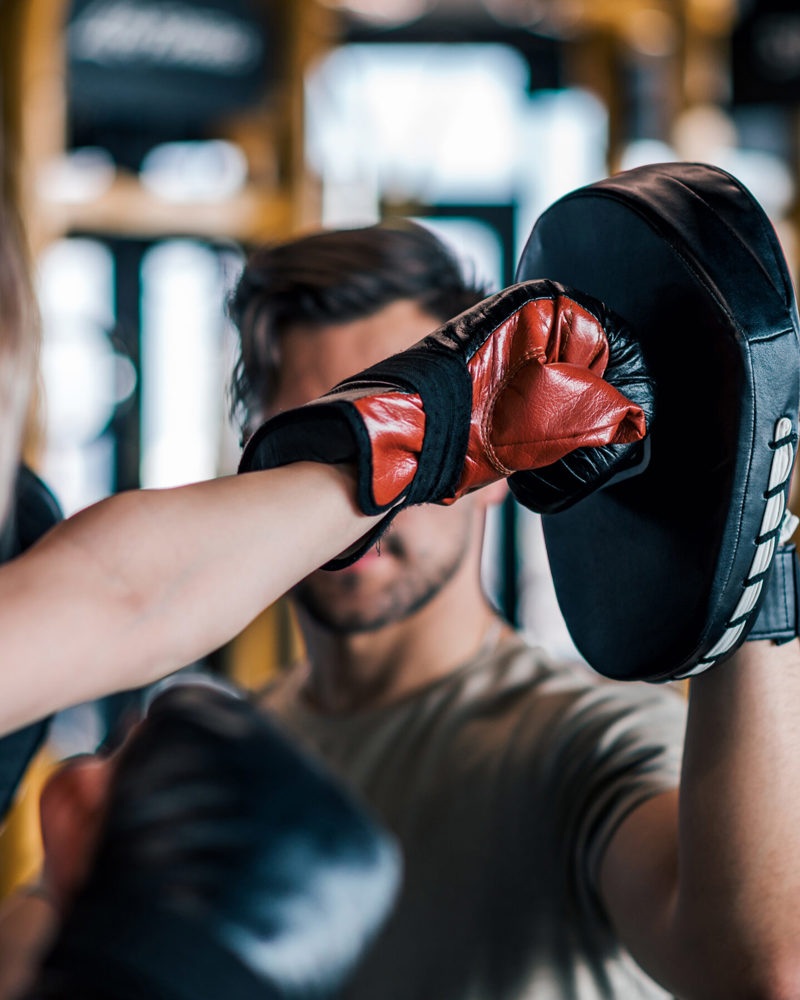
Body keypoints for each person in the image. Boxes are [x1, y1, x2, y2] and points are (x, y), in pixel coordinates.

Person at [229, 220, 800, 1000]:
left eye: (415, 443)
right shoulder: (220, 757)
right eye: (321, 445)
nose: (366, 496)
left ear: (501, 452)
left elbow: (757, 972)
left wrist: (750, 532)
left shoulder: (588, 744)